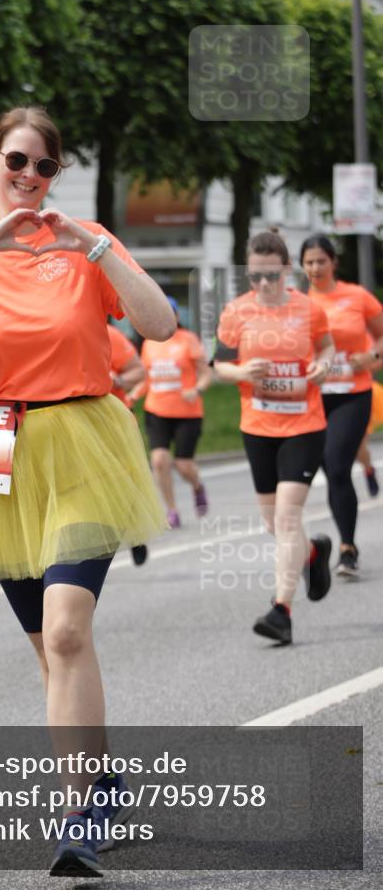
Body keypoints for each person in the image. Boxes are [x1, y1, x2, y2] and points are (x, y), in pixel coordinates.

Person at [0, 106, 175, 877]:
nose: (28, 177)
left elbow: (157, 322)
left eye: (43, 167)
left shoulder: (84, 243)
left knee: (65, 632)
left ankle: (79, 814)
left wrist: (99, 250)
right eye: (15, 161)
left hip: (82, 442)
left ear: (57, 174)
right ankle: (107, 784)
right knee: (48, 651)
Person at [214, 230, 335, 646]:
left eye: (272, 276)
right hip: (257, 428)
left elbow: (327, 347)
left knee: (286, 518)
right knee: (274, 523)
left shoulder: (308, 309)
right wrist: (242, 373)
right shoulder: (235, 313)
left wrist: (322, 365)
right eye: (255, 278)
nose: (264, 285)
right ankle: (314, 553)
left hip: (304, 425)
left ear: (286, 271)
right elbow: (220, 366)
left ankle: (281, 610)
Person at [300, 235, 383, 575]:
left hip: (352, 393)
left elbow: (380, 335)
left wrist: (374, 355)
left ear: (333, 262)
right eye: (308, 262)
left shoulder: (357, 296)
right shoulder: (297, 303)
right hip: (313, 397)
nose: (315, 268)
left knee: (336, 465)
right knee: (328, 468)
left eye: (321, 260)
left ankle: (347, 548)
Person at [133, 297, 211, 528]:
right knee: (158, 460)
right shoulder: (149, 343)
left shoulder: (188, 340)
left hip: (187, 412)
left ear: (176, 316)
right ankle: (171, 511)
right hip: (157, 410)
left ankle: (197, 485)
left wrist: (196, 389)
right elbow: (147, 379)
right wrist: (134, 394)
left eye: (171, 312)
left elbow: (206, 374)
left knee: (184, 465)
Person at [106, 323, 152, 565]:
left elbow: (139, 372)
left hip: (115, 422)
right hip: (72, 427)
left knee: (125, 484)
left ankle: (135, 533)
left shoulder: (110, 335)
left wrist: (119, 379)